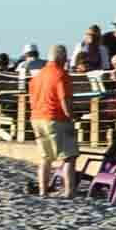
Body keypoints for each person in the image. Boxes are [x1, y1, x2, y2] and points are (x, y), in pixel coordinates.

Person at [29, 44, 77, 197]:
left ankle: (43, 190)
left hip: (37, 117)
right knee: (69, 155)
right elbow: (64, 99)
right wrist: (70, 118)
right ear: (62, 58)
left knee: (45, 157)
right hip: (56, 118)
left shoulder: (39, 75)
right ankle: (69, 191)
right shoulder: (61, 74)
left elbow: (32, 98)